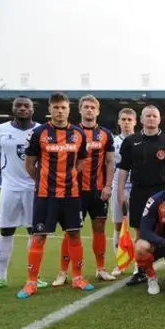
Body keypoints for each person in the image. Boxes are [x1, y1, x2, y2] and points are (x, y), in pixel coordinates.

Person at [18, 92, 92, 299]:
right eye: (56, 107)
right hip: (45, 195)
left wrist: (70, 176)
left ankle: (78, 278)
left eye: (63, 108)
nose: (60, 111)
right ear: (49, 110)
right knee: (39, 237)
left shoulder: (78, 134)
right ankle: (31, 282)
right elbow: (30, 165)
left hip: (71, 195)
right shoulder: (39, 132)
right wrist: (44, 181)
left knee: (75, 234)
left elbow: (82, 161)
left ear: (69, 110)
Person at [0, 97, 46, 292]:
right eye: (18, 105)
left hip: (34, 189)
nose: (22, 108)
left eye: (26, 105)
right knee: (5, 231)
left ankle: (34, 277)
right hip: (9, 188)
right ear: (12, 108)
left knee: (34, 232)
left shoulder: (43, 130)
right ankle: (0, 277)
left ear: (32, 109)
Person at [53, 95, 116, 286]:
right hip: (74, 191)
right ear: (79, 110)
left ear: (97, 111)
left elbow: (110, 161)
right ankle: (63, 272)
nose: (89, 110)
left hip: (98, 191)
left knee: (99, 228)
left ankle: (101, 268)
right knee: (71, 231)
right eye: (86, 107)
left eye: (92, 107)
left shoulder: (105, 134)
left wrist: (108, 185)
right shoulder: (70, 132)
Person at [117, 105, 165, 286]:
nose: (151, 119)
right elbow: (123, 169)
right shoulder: (131, 141)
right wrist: (121, 193)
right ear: (142, 120)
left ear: (159, 120)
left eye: (154, 116)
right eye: (148, 116)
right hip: (139, 191)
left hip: (162, 192)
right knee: (140, 233)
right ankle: (141, 271)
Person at [109, 108, 137, 276]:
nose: (126, 122)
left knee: (137, 227)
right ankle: (120, 263)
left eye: (129, 120)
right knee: (118, 226)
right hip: (117, 187)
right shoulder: (112, 142)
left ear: (135, 122)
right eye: (124, 119)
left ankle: (138, 264)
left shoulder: (139, 140)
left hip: (136, 188)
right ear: (119, 122)